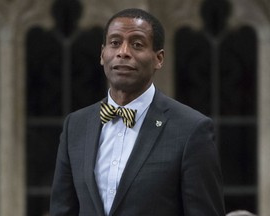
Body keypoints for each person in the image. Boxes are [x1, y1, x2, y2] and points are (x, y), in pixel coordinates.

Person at [50, 8, 225, 216]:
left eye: (137, 44)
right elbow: (62, 209)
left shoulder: (191, 129)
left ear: (158, 59)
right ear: (102, 54)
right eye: (115, 43)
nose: (123, 52)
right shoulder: (75, 125)